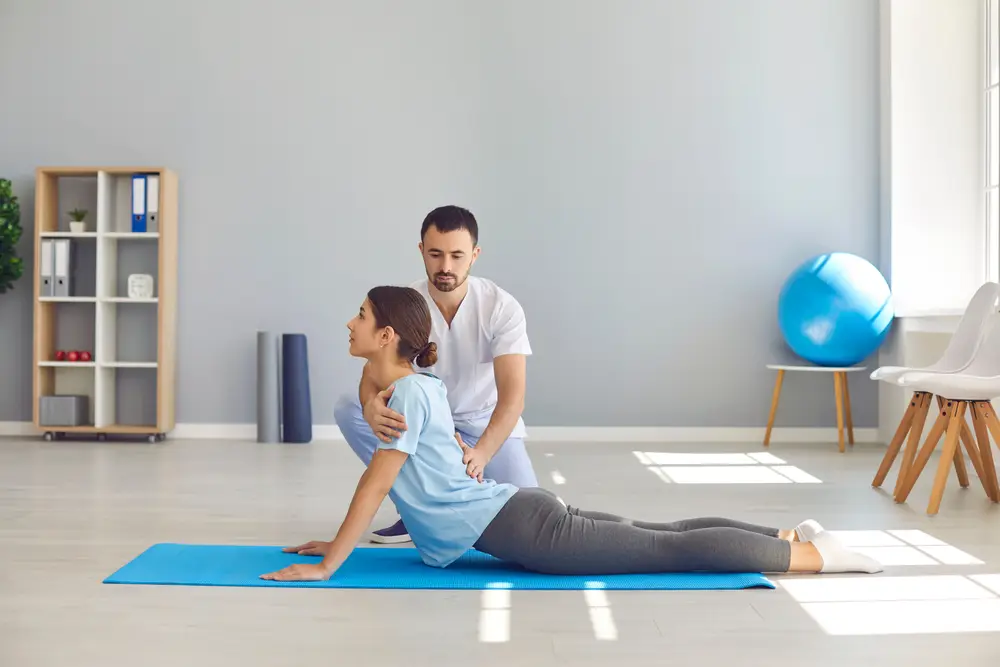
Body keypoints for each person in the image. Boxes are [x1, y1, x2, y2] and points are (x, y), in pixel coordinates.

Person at [261, 286, 883, 582]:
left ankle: (816, 556)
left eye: (362, 316)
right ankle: (787, 533)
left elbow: (377, 487)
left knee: (665, 550)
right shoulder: (412, 391)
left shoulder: (406, 398)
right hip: (517, 514)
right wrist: (342, 542)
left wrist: (331, 563)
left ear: (388, 335)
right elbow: (416, 480)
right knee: (653, 533)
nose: (350, 322)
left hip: (528, 528)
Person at [334, 205, 538, 545]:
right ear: (421, 252)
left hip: (485, 425)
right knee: (348, 407)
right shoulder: (407, 303)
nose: (445, 267)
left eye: (457, 256)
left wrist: (481, 454)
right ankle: (416, 511)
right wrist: (370, 406)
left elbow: (513, 398)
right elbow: (372, 372)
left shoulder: (501, 307)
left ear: (474, 254)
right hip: (430, 426)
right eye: (435, 254)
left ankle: (450, 496)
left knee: (530, 513)